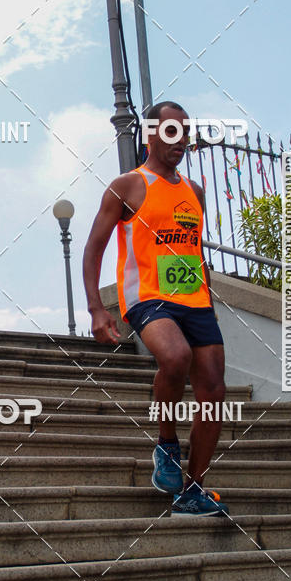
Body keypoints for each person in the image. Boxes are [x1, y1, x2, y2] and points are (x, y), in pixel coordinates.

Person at [83, 101, 228, 517]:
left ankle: (192, 489)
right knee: (175, 356)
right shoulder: (127, 186)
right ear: (149, 135)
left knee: (214, 390)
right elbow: (93, 248)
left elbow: (197, 253)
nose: (180, 139)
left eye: (185, 131)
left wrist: (210, 305)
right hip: (148, 296)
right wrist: (96, 308)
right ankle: (166, 443)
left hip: (195, 301)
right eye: (170, 131)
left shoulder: (194, 192)